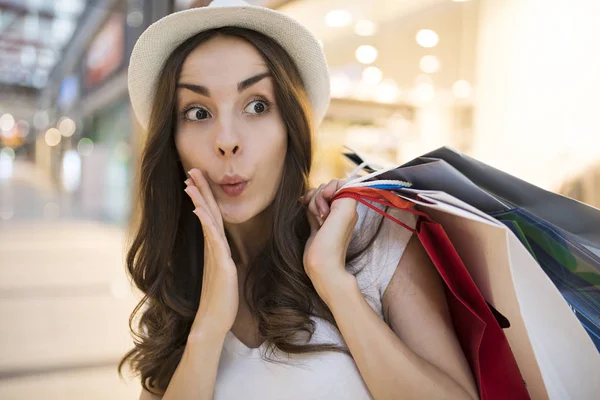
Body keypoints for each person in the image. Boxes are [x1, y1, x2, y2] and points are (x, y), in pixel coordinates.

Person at [119, 0, 478, 399]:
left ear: (291, 125)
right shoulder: (179, 286)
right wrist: (207, 326)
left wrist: (333, 282)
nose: (227, 141)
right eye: (198, 113)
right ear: (173, 141)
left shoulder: (370, 239)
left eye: (257, 106)